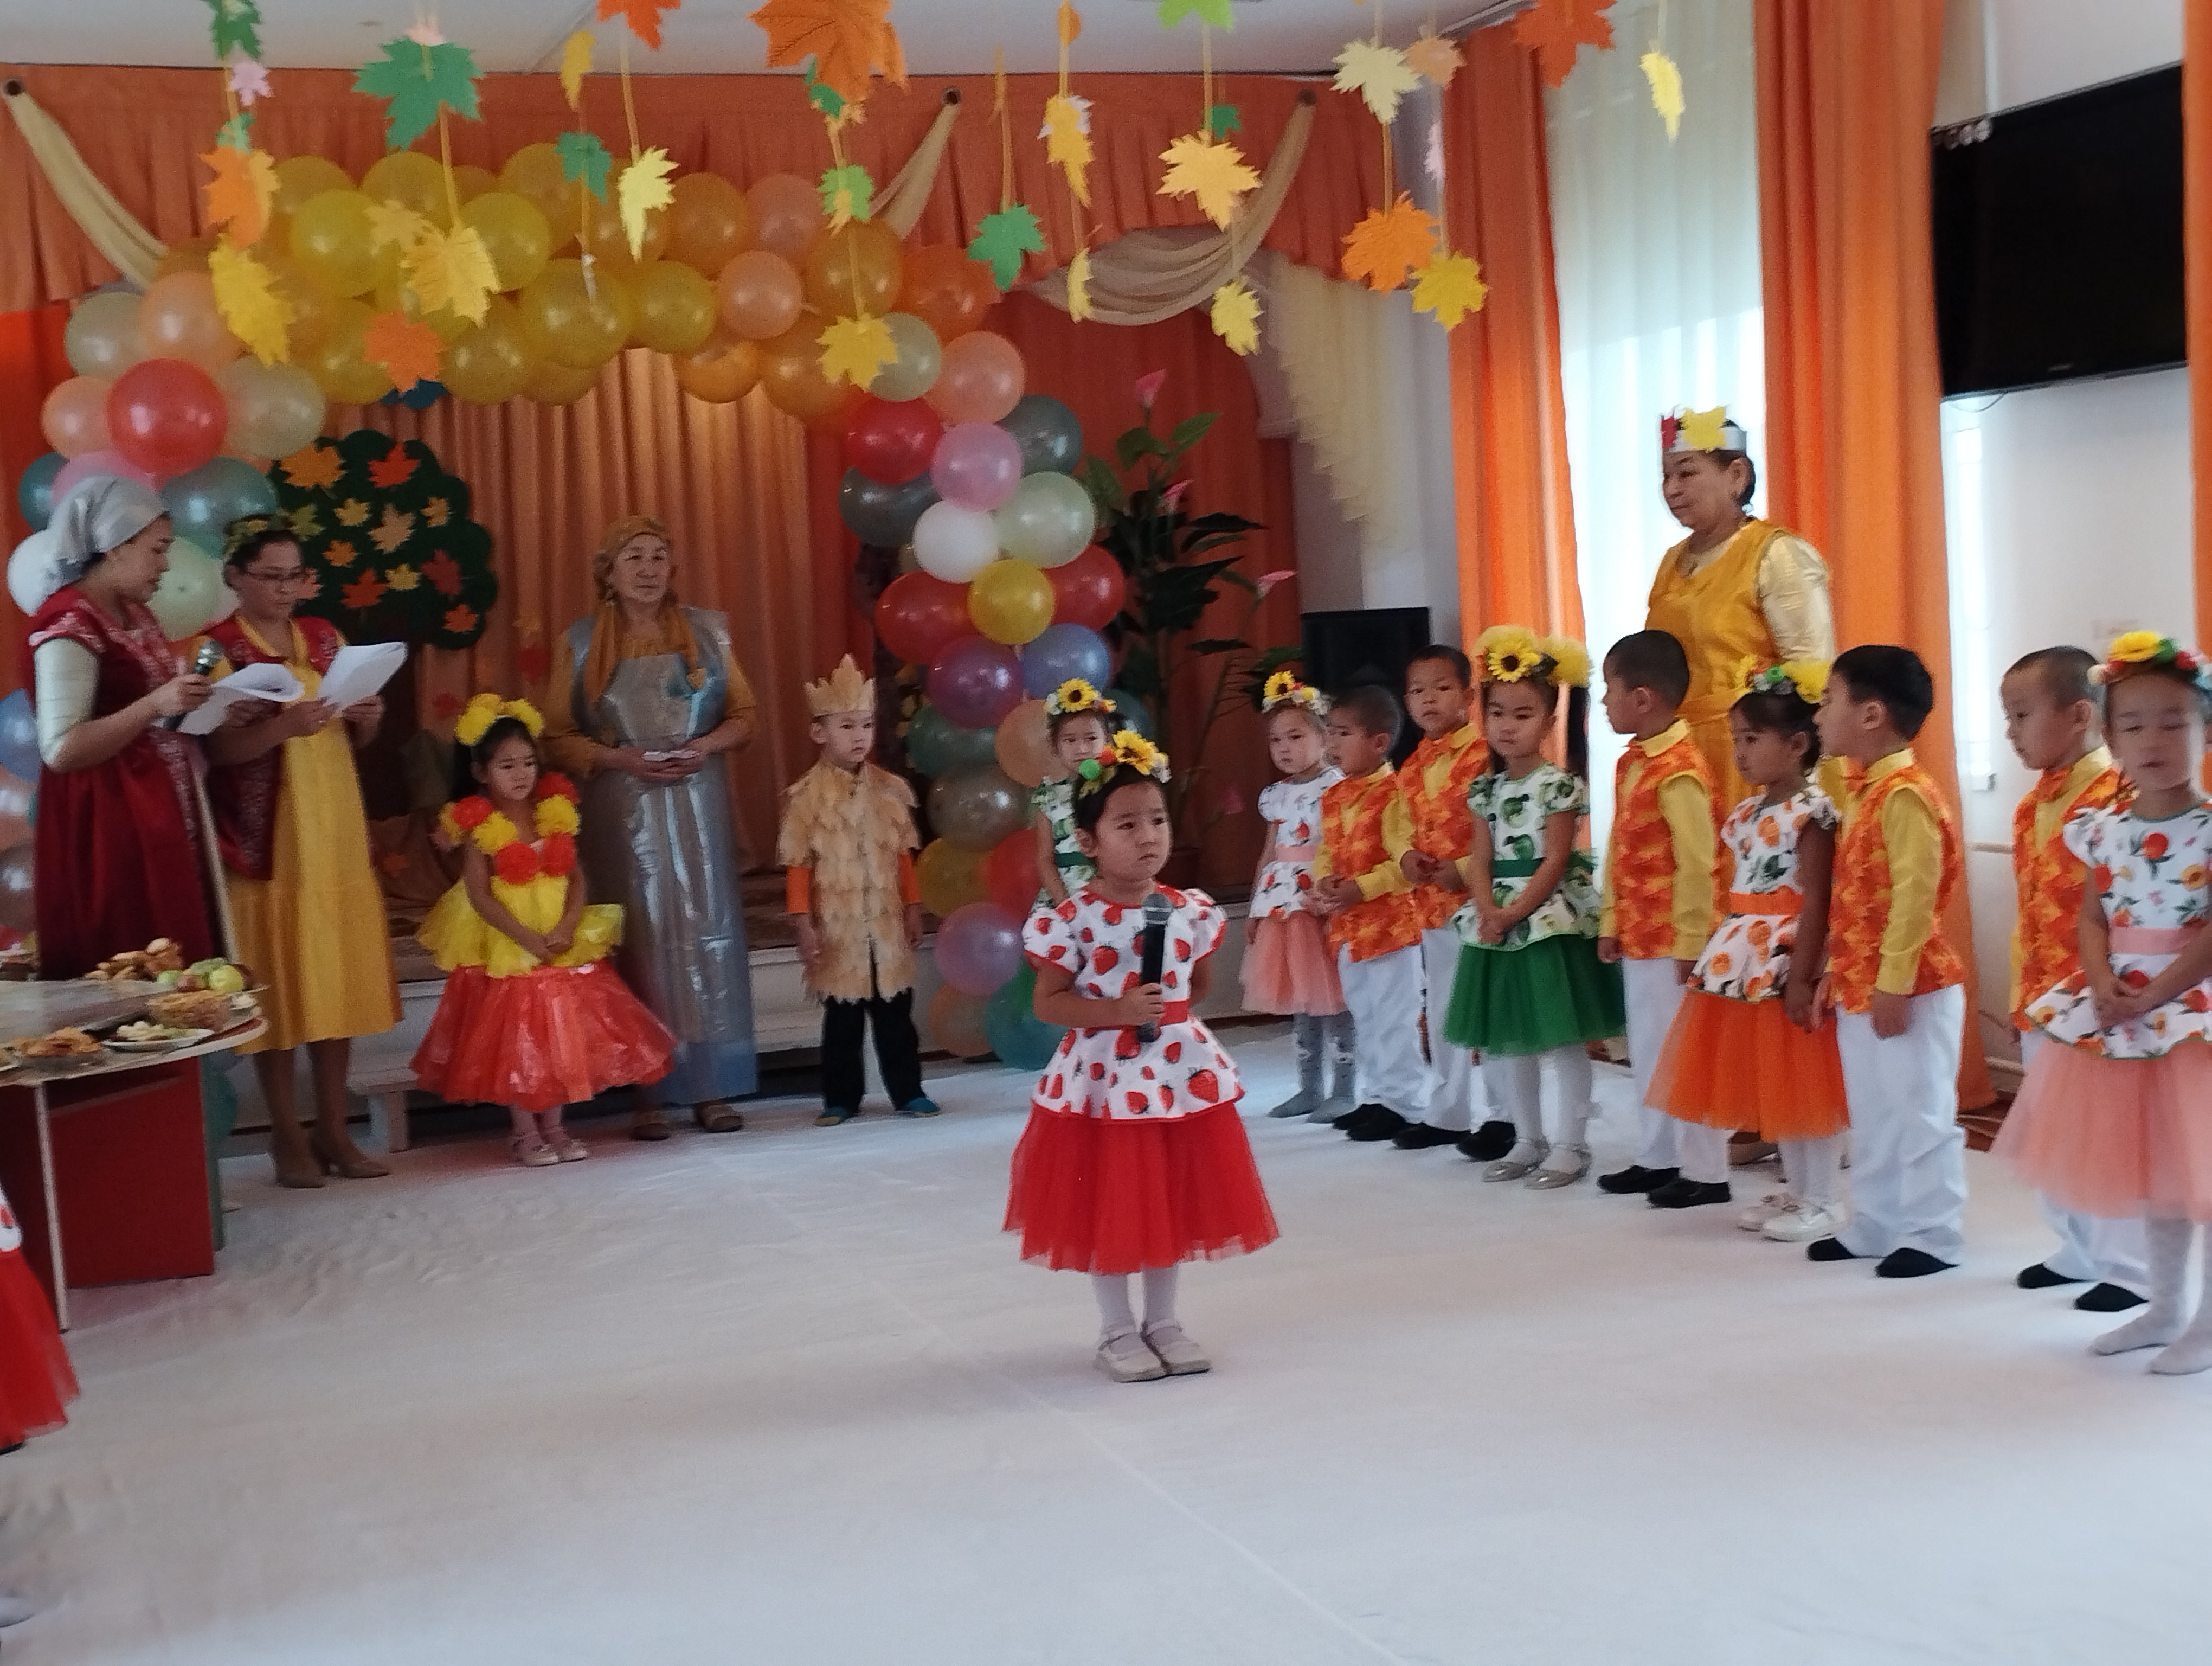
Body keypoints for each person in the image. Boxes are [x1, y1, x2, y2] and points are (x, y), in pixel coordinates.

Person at [1006, 732, 1276, 1383]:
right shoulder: (1072, 919)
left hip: (1174, 1075)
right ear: (1089, 840)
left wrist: (1163, 1015)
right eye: (1127, 825)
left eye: (1156, 820)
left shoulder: (1189, 910)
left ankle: (1163, 1320)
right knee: (1113, 1201)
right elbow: (1049, 1002)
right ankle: (1116, 1328)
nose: (1148, 836)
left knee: (1167, 1199)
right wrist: (1118, 1012)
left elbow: (1196, 985)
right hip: (1104, 1080)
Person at [1999, 633, 2212, 1370]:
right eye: (2135, 724)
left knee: (2204, 1177)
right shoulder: (2103, 828)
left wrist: (2156, 990)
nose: (2153, 740)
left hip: (2190, 1014)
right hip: (2122, 1010)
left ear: (2205, 731)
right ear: (2111, 735)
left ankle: (2208, 1322)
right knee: (2159, 1176)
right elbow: (2093, 916)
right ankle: (2164, 1306)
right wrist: (2099, 982)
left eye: (2174, 723)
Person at [200, 517, 400, 1189]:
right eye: (272, 577)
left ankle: (334, 1128)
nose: (286, 590)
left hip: (334, 827)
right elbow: (215, 751)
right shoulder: (219, 649)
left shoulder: (324, 638)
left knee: (335, 976)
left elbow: (352, 739)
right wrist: (282, 726)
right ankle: (287, 1132)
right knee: (279, 982)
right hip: (268, 839)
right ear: (236, 576)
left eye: (296, 577)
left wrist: (368, 721)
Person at [543, 515, 756, 1140]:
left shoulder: (709, 631)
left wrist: (705, 746)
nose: (648, 569)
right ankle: (648, 1094)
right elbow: (557, 735)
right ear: (608, 573)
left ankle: (710, 1088)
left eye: (659, 556)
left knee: (704, 936)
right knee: (639, 940)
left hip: (699, 805)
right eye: (634, 557)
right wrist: (621, 759)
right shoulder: (582, 642)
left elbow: (745, 715)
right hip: (621, 810)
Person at [413, 696, 675, 1167]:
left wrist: (569, 924)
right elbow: (479, 895)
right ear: (480, 773)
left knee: (558, 1035)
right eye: (507, 765)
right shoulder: (480, 827)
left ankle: (555, 1128)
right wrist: (526, 939)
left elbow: (577, 877)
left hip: (559, 936)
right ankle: (525, 1134)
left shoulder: (554, 812)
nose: (521, 774)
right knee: (520, 1040)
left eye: (528, 763)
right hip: (511, 941)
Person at [1648, 663, 1849, 1241]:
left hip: (1786, 955)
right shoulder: (1745, 815)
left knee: (1805, 1082)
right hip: (1744, 958)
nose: (1739, 752)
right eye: (1736, 739)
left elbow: (1819, 899)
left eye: (1752, 739)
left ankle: (1823, 1197)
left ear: (1798, 745)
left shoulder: (1813, 813)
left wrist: (1805, 974)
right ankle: (1797, 1189)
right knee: (1776, 1081)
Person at [1808, 646, 1968, 1277]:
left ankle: (1934, 1234)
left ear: (1871, 714)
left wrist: (1894, 984)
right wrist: (1836, 972)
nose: (1818, 714)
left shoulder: (1906, 794)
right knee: (1874, 1113)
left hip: (1911, 988)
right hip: (1863, 985)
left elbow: (1915, 899)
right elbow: (1856, 899)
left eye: (1828, 701)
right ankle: (1876, 1223)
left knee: (1920, 1113)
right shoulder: (1867, 790)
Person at [1441, 627, 1620, 1189]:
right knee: (1508, 1039)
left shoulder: (1557, 786)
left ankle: (1572, 1144)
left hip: (1545, 920)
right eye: (1497, 713)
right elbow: (1480, 857)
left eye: (1523, 714)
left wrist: (1513, 912)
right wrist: (1486, 910)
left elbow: (1556, 860)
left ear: (1548, 721)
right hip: (1496, 919)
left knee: (1562, 1038)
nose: (1508, 726)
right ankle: (1528, 1138)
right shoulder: (1485, 790)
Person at [24, 477, 223, 976]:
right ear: (116, 546)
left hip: (153, 812)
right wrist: (156, 703)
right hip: (106, 823)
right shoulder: (69, 622)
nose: (165, 565)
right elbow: (63, 747)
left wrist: (201, 706)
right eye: (157, 549)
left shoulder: (135, 613)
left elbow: (148, 711)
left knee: (173, 962)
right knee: (132, 962)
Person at [1997, 647, 2145, 1311]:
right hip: (2045, 998)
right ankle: (2079, 1247)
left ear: (2081, 715)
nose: (2011, 731)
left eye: (2022, 715)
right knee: (2056, 1130)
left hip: (2102, 997)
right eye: (2008, 717)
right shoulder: (2033, 805)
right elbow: (2028, 912)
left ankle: (2133, 1266)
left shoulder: (2119, 798)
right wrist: (2020, 997)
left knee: (2107, 1135)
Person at [1644, 408, 1836, 809]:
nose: (1672, 490)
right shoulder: (1670, 561)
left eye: (1686, 473)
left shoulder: (1776, 553)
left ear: (1736, 476)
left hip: (1751, 758)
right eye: (1666, 476)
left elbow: (1811, 678)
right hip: (1679, 758)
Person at [777, 655, 936, 1126]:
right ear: (819, 733)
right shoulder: (805, 799)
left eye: (866, 725)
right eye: (847, 726)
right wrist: (803, 925)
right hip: (838, 931)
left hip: (885, 925)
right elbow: (798, 868)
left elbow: (902, 856)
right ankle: (841, 1098)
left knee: (896, 1015)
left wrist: (913, 908)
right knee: (842, 1019)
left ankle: (908, 1092)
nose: (859, 736)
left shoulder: (890, 790)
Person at [1594, 630, 1721, 1203]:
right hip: (1641, 937)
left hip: (1675, 943)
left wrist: (1693, 941)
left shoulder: (1680, 769)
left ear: (1642, 699)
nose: (1604, 701)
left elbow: (1699, 864)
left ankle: (1706, 1171)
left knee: (1685, 1052)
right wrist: (1611, 921)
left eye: (1610, 689)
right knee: (1648, 1048)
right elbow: (1620, 848)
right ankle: (1659, 1155)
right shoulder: (1633, 763)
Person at [1391, 646, 1515, 1157]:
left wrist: (1462, 870)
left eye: (1442, 688)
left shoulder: (1488, 756)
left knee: (1493, 1007)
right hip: (1434, 908)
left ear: (1468, 696)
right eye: (1418, 691)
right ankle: (1450, 1112)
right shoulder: (1411, 765)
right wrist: (1405, 857)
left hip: (1483, 904)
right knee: (1443, 1006)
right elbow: (1398, 827)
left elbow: (1507, 829)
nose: (1429, 699)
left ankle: (1506, 1116)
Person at [1310, 685, 1431, 1141]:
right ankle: (1378, 1096)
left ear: (1379, 743)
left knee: (1395, 1017)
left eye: (1343, 733)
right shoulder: (1334, 796)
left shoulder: (1396, 793)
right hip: (1349, 928)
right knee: (1366, 1015)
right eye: (1330, 732)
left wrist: (1361, 887)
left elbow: (1404, 864)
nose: (1332, 743)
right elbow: (1327, 850)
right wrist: (1324, 880)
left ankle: (1405, 1103)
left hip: (1390, 928)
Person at [1240, 672, 1351, 1119]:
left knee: (1333, 998)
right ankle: (1309, 1086)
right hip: (1281, 904)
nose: (1284, 748)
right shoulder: (1275, 796)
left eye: (1296, 736)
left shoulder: (1337, 786)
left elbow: (1343, 845)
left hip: (1317, 899)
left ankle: (1345, 1088)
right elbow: (1269, 853)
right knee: (1300, 999)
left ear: (1324, 738)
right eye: (1276, 740)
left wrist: (1336, 894)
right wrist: (1256, 907)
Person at [1031, 680, 1115, 905]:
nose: (1082, 749)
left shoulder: (1117, 787)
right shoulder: (1048, 795)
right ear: (1054, 746)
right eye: (1070, 740)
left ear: (1107, 740)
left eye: (1091, 738)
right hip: (1064, 896)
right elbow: (1044, 859)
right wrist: (1064, 904)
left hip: (1113, 891)